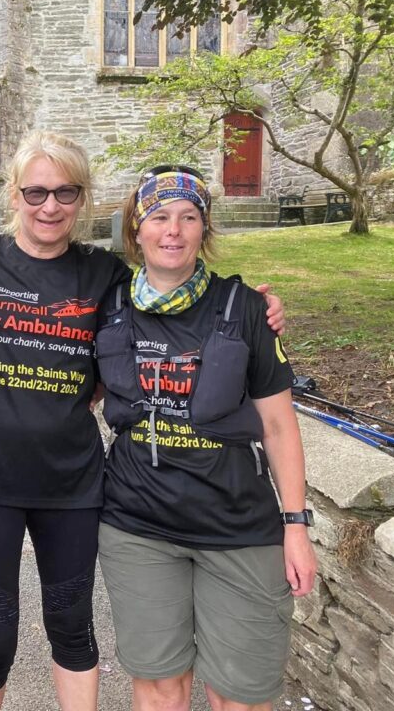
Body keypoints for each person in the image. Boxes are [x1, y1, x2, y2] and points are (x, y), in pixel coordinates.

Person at [0, 133, 286, 711]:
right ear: (14, 195)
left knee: (73, 628)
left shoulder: (105, 275)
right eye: (36, 192)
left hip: (72, 484)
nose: (50, 206)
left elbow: (170, 293)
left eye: (66, 192)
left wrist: (260, 309)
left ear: (83, 198)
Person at [95, 164, 317, 711]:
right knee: (158, 683)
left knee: (240, 694)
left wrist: (296, 526)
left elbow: (279, 425)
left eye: (189, 217)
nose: (174, 230)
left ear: (204, 230)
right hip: (137, 527)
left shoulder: (246, 310)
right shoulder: (108, 306)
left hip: (238, 526)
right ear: (136, 231)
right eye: (160, 217)